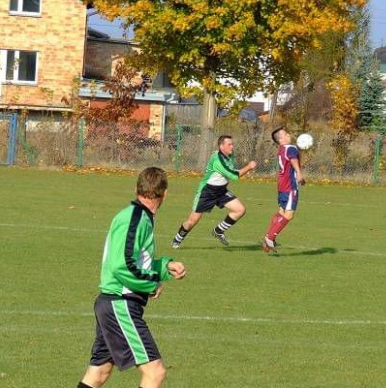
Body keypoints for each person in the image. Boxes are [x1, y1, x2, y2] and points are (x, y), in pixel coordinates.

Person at [77, 167, 186, 388]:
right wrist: (152, 282)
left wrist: (165, 267)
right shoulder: (135, 218)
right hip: (120, 303)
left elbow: (135, 262)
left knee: (99, 372)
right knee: (155, 373)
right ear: (165, 194)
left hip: (112, 303)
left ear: (136, 189)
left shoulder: (139, 217)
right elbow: (122, 265)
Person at [171, 135, 257, 248]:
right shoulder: (217, 160)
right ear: (221, 146)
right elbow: (234, 175)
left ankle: (218, 230)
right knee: (192, 221)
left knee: (240, 210)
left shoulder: (230, 156)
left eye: (232, 144)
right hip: (207, 192)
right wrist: (249, 167)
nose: (232, 147)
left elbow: (230, 170)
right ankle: (177, 239)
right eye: (229, 144)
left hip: (221, 191)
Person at [262, 127, 304, 253]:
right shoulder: (290, 148)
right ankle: (270, 237)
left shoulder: (281, 149)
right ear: (281, 139)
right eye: (286, 134)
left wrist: (297, 174)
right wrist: (299, 172)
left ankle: (268, 237)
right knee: (289, 215)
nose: (289, 135)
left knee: (281, 212)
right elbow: (293, 159)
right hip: (290, 187)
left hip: (281, 186)